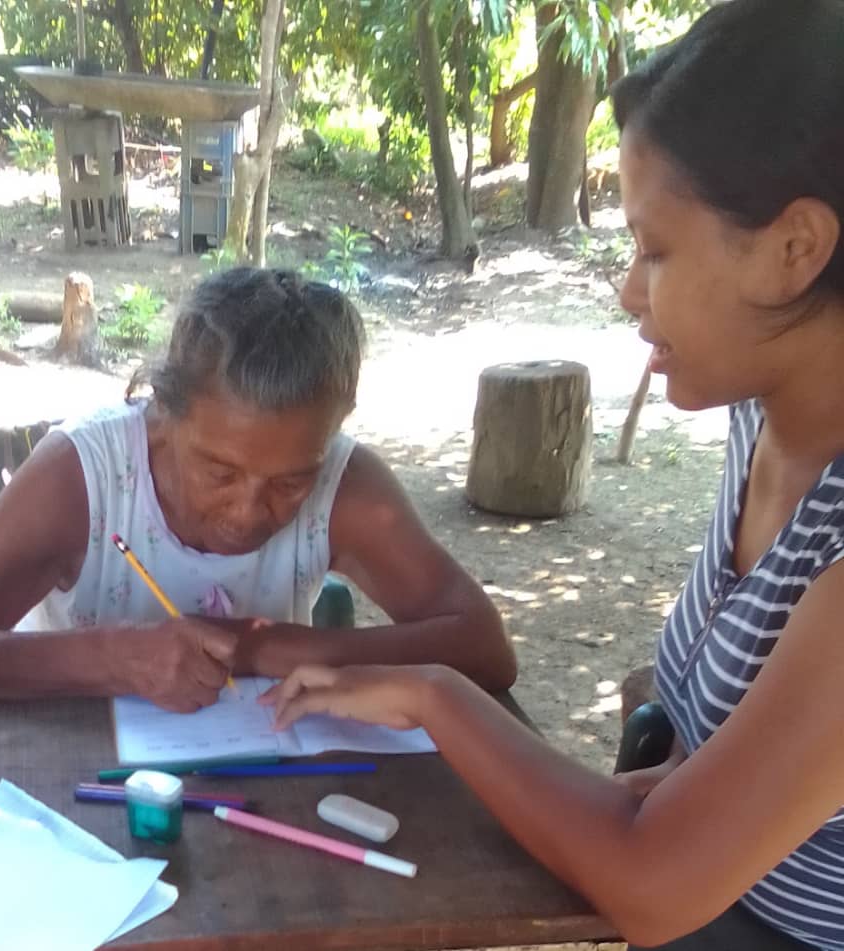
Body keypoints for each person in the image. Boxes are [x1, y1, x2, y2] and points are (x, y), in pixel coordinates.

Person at [262, 2, 844, 949]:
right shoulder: (764, 415)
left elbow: (654, 884)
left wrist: (432, 691)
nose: (627, 288)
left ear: (794, 250)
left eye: (655, 249)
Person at [0, 267, 515, 711]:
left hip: (263, 783)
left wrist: (279, 649)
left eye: (292, 481)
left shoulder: (346, 486)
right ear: (163, 411)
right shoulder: (85, 478)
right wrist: (115, 661)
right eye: (219, 472)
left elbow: (484, 648)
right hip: (74, 785)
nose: (248, 512)